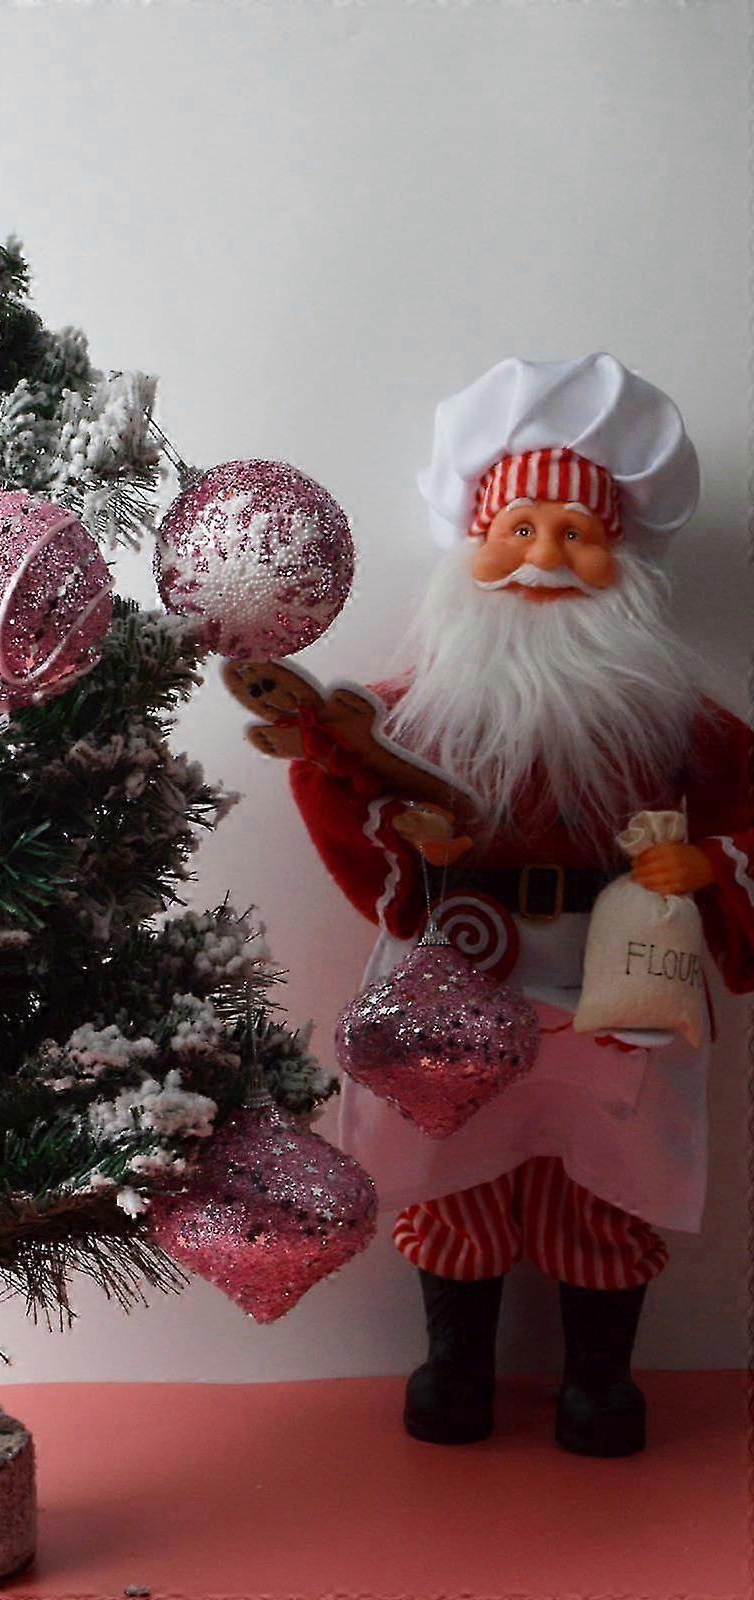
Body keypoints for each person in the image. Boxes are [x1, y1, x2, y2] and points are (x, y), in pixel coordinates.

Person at [283, 353, 752, 1455]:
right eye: (521, 529)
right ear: (474, 545)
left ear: (620, 559)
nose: (543, 556)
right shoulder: (407, 715)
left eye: (574, 534)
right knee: (452, 1165)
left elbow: (745, 807)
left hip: (616, 977)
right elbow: (334, 778)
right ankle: (457, 1367)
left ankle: (599, 1379)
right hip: (462, 967)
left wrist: (710, 866)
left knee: (612, 1175)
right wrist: (401, 832)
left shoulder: (678, 722)